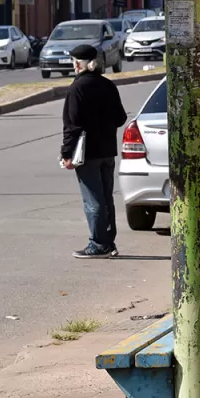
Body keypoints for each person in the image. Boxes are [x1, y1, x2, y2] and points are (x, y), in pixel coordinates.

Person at [61, 44, 128, 259]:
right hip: (107, 150)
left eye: (73, 61)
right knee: (106, 198)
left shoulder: (77, 89)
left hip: (87, 153)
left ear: (78, 64)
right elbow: (120, 118)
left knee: (93, 200)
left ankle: (98, 244)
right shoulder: (108, 86)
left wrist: (66, 154)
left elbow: (72, 125)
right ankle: (108, 241)